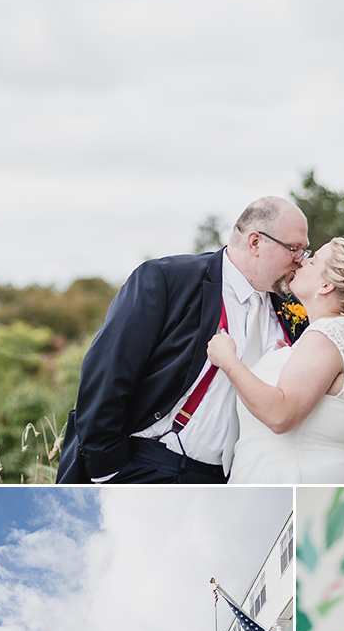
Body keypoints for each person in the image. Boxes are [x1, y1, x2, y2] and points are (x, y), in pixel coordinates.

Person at [56, 196, 314, 484]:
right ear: (255, 242)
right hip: (147, 465)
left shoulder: (295, 314)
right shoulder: (168, 280)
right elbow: (107, 374)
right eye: (294, 249)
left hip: (232, 480)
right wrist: (110, 470)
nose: (301, 260)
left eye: (304, 250)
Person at [206, 237, 344, 483]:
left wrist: (228, 361)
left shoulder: (326, 334)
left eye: (313, 261)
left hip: (292, 479)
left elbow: (280, 416)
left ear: (325, 286)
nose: (302, 261)